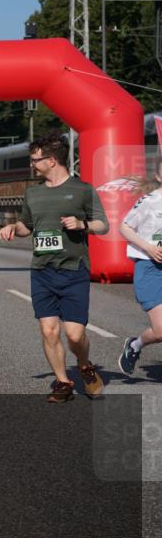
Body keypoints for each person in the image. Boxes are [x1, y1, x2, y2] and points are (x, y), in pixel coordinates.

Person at [0, 132, 108, 403]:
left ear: (52, 160)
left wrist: (82, 224)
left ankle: (84, 365)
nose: (33, 164)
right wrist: (13, 227)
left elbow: (102, 225)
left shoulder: (83, 189)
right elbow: (27, 226)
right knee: (48, 330)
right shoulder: (33, 193)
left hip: (73, 269)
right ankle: (62, 382)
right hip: (42, 270)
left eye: (36, 159)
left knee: (74, 335)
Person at [117, 158, 162, 375]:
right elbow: (124, 227)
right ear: (159, 177)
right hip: (150, 267)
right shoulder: (150, 201)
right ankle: (135, 345)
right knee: (161, 331)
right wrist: (149, 248)